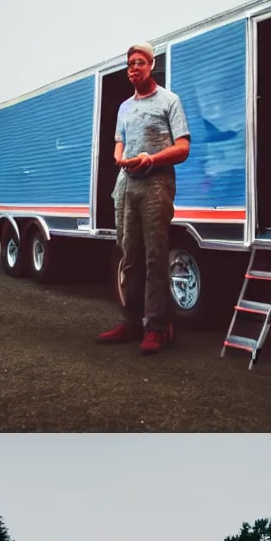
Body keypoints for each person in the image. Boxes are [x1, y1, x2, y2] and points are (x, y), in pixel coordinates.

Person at [96, 44, 190, 355]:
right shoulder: (124, 107)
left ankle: (157, 328)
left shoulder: (169, 101)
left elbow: (183, 148)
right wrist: (121, 159)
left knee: (154, 257)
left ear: (151, 65)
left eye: (139, 63)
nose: (133, 68)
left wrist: (152, 159)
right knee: (129, 256)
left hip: (156, 185)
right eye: (129, 64)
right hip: (128, 185)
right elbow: (118, 145)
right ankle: (131, 322)